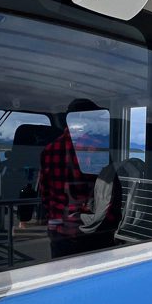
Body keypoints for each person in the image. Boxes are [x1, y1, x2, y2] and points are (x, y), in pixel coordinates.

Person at [38, 99, 120, 259]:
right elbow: (110, 195)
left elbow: (45, 195)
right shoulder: (96, 149)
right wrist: (109, 229)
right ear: (84, 120)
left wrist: (55, 222)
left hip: (59, 233)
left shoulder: (48, 150)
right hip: (90, 234)